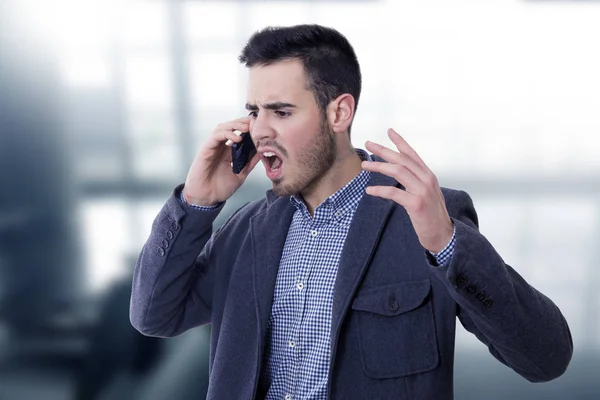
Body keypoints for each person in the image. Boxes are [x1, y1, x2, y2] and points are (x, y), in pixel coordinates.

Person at [129, 24, 572, 400]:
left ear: (339, 112)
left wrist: (448, 245)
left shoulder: (423, 217)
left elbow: (544, 357)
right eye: (254, 111)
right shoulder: (246, 230)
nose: (260, 130)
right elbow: (154, 316)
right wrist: (195, 202)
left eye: (281, 111)